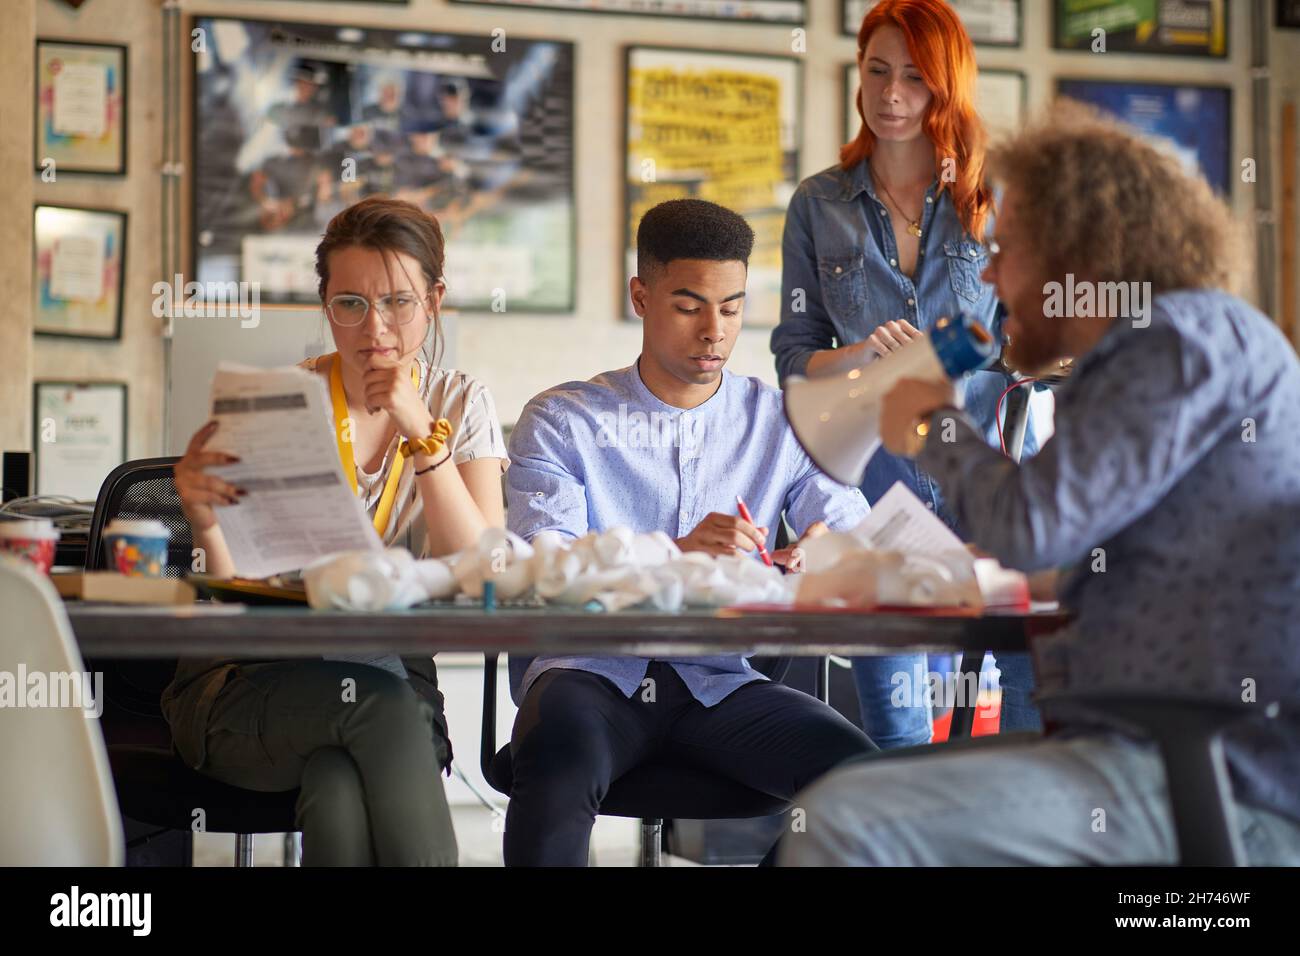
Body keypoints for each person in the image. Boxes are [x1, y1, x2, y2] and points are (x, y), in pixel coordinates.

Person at [778, 101, 1300, 866]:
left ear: (1076, 256)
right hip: (1172, 753)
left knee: (842, 819)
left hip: (1211, 777)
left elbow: (1031, 528)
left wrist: (935, 426)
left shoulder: (1172, 342)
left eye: (1006, 250)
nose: (988, 274)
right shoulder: (1184, 340)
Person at [503, 199, 876, 866]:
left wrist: (829, 546)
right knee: (558, 770)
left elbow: (850, 526)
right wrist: (669, 553)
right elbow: (543, 566)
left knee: (867, 786)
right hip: (589, 674)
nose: (714, 332)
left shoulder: (781, 419)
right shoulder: (563, 421)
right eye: (689, 306)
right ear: (640, 296)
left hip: (720, 681)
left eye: (732, 309)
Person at [163, 197, 510, 866]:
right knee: (376, 711)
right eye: (349, 303)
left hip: (390, 671)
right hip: (253, 676)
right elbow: (237, 591)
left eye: (399, 303)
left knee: (338, 783)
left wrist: (423, 438)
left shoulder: (461, 403)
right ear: (325, 304)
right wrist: (204, 516)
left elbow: (482, 572)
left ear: (434, 300)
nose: (374, 328)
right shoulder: (280, 402)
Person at [771, 0, 1041, 749]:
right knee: (899, 731)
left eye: (915, 79)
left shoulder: (992, 202)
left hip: (988, 480)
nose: (890, 96)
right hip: (877, 499)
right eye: (877, 72)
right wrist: (859, 355)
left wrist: (964, 349)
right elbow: (794, 354)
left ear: (946, 87)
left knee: (1024, 701)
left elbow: (1034, 342)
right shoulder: (820, 205)